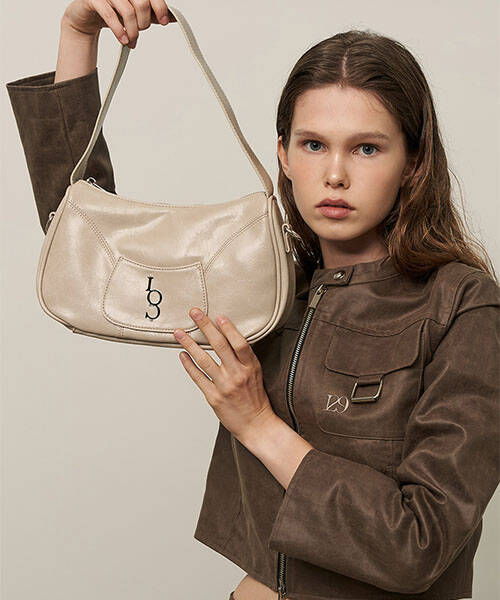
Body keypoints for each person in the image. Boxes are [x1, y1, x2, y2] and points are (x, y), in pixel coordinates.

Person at [6, 2, 500, 599]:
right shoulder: (267, 283)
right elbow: (85, 243)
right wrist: (78, 35)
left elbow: (419, 544)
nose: (335, 174)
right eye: (313, 144)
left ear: (413, 161)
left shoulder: (462, 306)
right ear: (283, 155)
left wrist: (259, 425)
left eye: (367, 148)